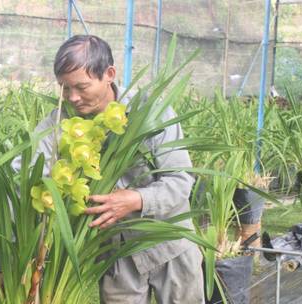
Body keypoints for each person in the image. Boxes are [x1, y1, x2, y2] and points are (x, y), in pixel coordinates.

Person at [17, 34, 204, 303]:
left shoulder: (150, 112)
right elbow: (25, 170)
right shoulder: (59, 121)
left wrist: (138, 199)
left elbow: (181, 180)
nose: (73, 97)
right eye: (64, 88)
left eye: (81, 86)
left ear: (109, 74)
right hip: (115, 255)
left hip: (168, 243)